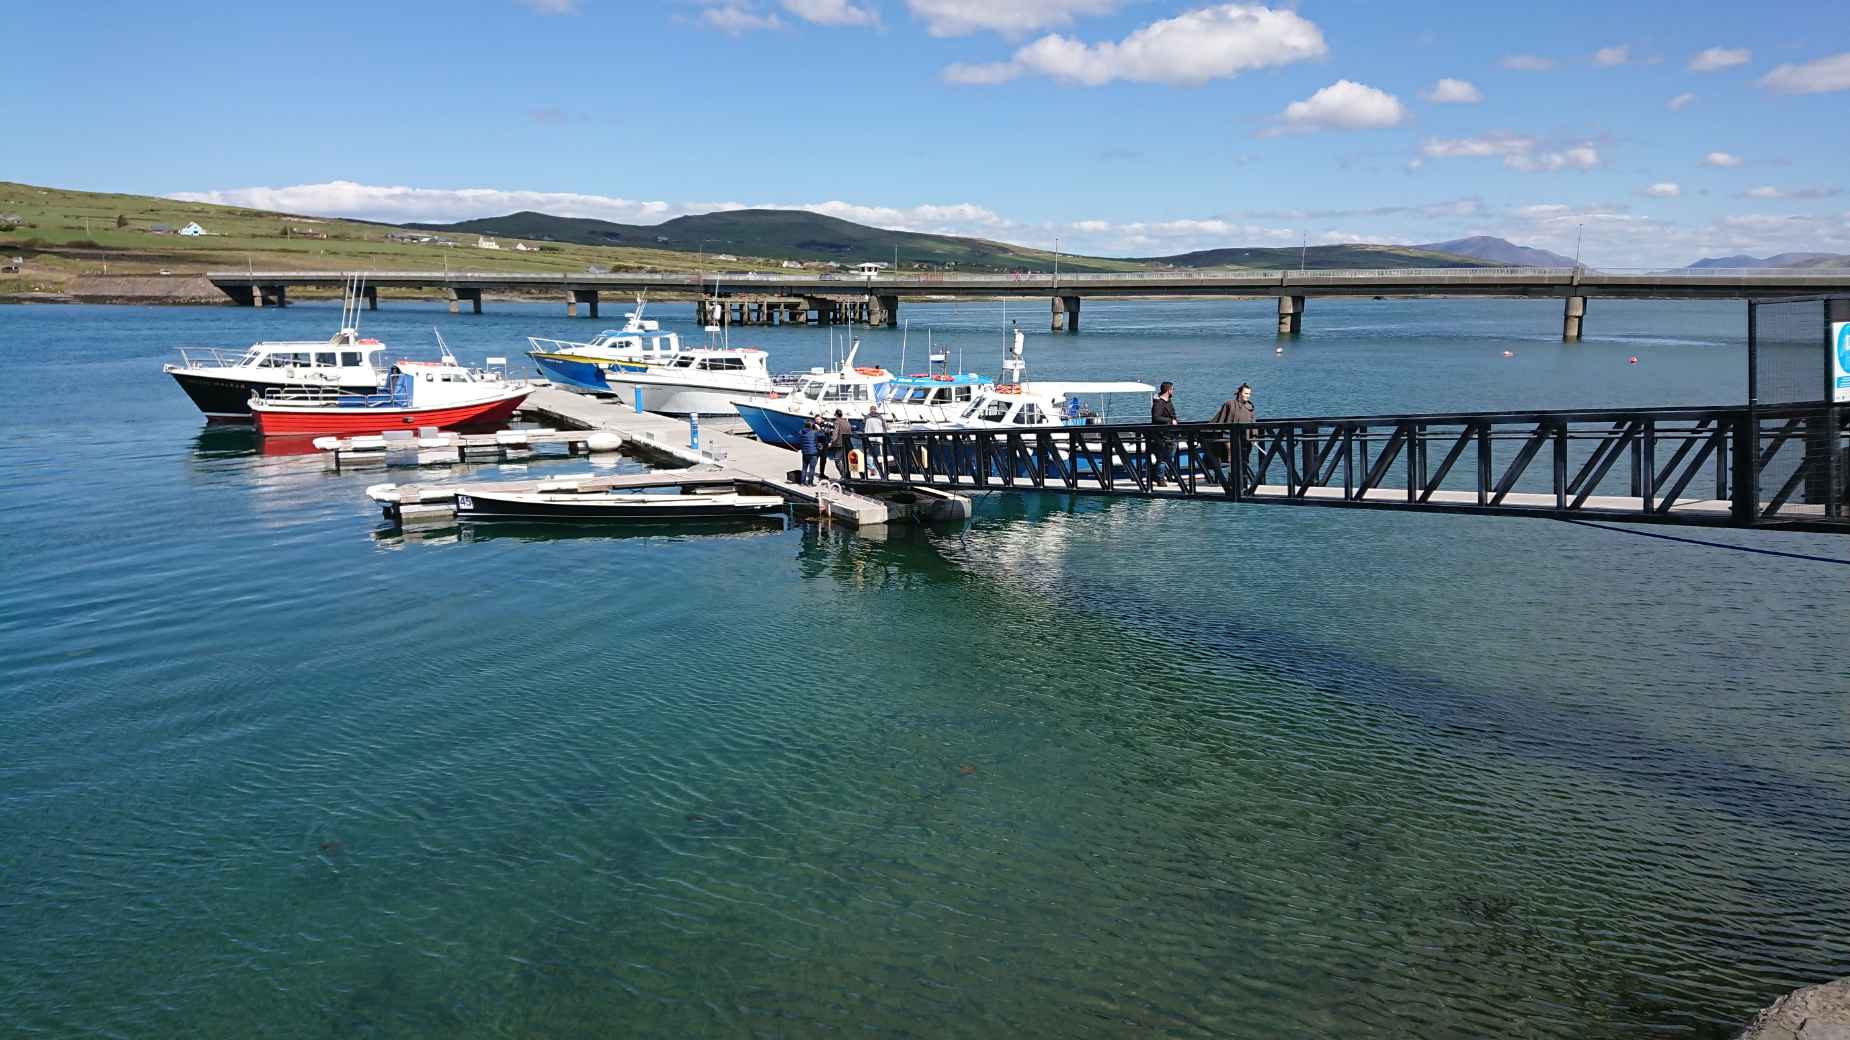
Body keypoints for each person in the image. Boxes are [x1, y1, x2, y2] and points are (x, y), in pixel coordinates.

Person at [1210, 383, 1257, 489]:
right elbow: (1220, 418)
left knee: (1244, 460)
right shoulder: (1230, 404)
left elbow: (1253, 423)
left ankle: (1242, 482)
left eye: (1249, 394)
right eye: (1246, 393)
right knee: (1232, 458)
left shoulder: (1250, 407)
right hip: (1229, 436)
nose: (1248, 396)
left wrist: (1254, 437)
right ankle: (1232, 481)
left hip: (1245, 438)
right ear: (1240, 393)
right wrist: (1210, 431)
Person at [1149, 381, 1179, 487]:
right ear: (1168, 390)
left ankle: (1156, 474)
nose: (1173, 391)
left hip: (1170, 434)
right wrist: (1170, 421)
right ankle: (1159, 478)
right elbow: (1156, 417)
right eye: (1172, 389)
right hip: (1162, 435)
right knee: (1163, 457)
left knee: (1167, 457)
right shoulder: (1159, 403)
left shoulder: (1168, 402)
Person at [861, 404, 887, 478]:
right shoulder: (880, 417)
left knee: (868, 455)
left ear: (870, 410)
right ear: (876, 410)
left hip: (869, 439)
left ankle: (872, 468)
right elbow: (885, 428)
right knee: (878, 455)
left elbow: (863, 427)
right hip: (879, 439)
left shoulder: (867, 417)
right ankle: (882, 471)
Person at [827, 408, 853, 481]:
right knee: (845, 460)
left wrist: (832, 442)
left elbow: (835, 433)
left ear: (836, 415)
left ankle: (843, 475)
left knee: (837, 460)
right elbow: (850, 433)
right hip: (847, 443)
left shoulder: (837, 422)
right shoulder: (847, 422)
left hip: (839, 444)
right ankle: (848, 476)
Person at [797, 415, 822, 486]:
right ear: (811, 426)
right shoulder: (814, 433)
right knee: (812, 468)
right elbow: (821, 435)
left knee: (804, 468)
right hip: (813, 453)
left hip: (805, 453)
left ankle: (802, 483)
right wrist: (819, 429)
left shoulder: (801, 432)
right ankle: (810, 483)